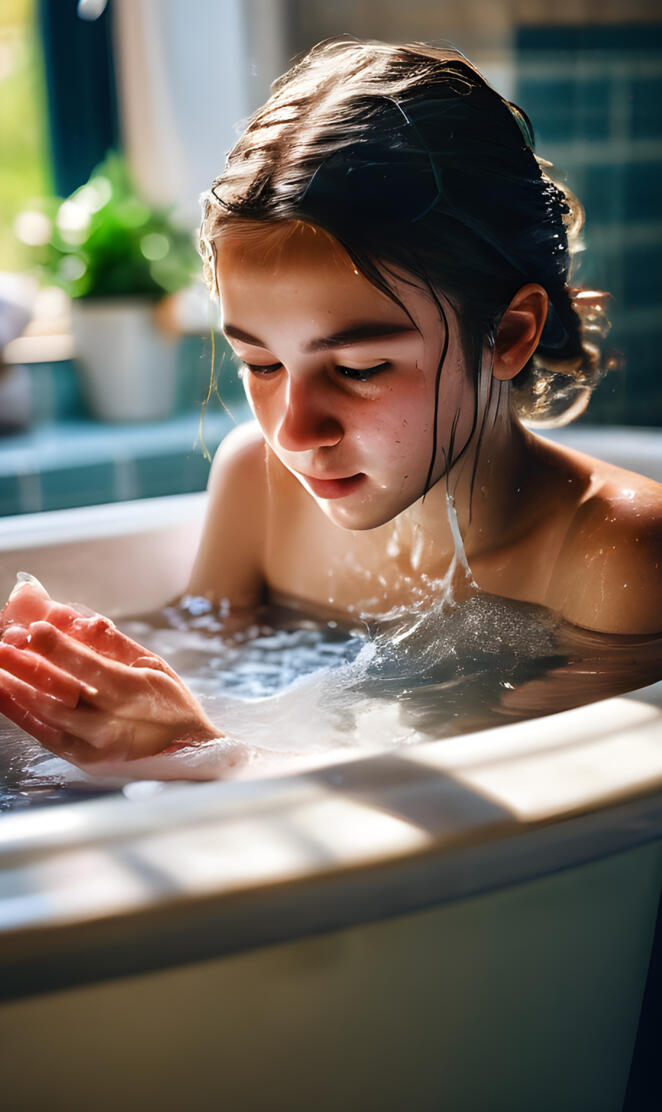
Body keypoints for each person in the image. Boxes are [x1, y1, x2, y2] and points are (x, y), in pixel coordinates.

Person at [1, 36, 660, 774]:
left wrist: (203, 754)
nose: (293, 430)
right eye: (260, 362)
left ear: (507, 334)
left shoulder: (616, 558)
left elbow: (506, 805)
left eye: (358, 368)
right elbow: (204, 664)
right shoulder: (261, 484)